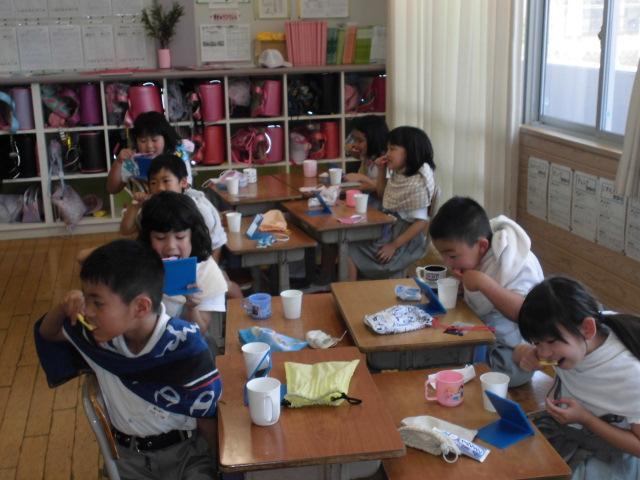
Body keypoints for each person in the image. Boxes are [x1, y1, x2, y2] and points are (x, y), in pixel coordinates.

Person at [34, 239, 221, 479]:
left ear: (140, 307)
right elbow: (48, 333)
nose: (87, 311)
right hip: (128, 461)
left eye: (97, 303)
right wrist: (63, 307)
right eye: (86, 299)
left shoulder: (185, 347)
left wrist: (218, 465)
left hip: (188, 455)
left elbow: (206, 414)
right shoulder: (99, 338)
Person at [513, 277, 640, 479]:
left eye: (550, 341)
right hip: (565, 430)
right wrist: (526, 353)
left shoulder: (629, 374)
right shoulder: (575, 339)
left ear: (588, 329)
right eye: (537, 343)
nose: (543, 353)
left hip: (610, 453)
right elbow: (518, 353)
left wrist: (586, 419)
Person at [429, 196, 543, 387]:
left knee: (508, 372)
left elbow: (524, 313)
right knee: (438, 343)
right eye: (443, 255)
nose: (446, 263)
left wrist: (483, 283)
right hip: (483, 334)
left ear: (482, 245)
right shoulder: (478, 254)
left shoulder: (516, 261)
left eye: (452, 256)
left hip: (513, 348)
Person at [348, 126, 436, 280]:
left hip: (403, 242)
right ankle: (351, 287)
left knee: (347, 248)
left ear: (410, 152)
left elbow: (421, 222)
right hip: (391, 230)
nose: (387, 154)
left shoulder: (417, 183)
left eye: (393, 149)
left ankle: (350, 290)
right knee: (347, 243)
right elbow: (384, 196)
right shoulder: (400, 173)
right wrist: (381, 170)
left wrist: (393, 246)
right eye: (387, 149)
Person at [139, 191, 228, 333]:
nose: (170, 246)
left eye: (180, 237)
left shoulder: (206, 272)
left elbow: (200, 331)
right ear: (148, 239)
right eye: (160, 238)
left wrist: (192, 307)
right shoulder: (139, 267)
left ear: (192, 237)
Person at [119, 154, 226, 262]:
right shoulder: (152, 207)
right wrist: (135, 207)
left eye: (166, 181)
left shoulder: (198, 208)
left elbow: (216, 243)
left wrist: (209, 268)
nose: (159, 188)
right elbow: (126, 230)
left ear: (183, 182)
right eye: (153, 183)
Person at [107, 111, 191, 194]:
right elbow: (112, 189)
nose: (149, 146)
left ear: (165, 138)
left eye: (154, 140)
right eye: (143, 141)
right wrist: (119, 162)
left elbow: (186, 186)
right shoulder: (134, 160)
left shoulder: (178, 155)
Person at [343, 115, 389, 203]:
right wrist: (348, 149)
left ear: (374, 139)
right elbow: (355, 153)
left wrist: (362, 178)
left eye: (360, 141)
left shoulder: (386, 160)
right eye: (354, 140)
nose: (355, 144)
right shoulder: (368, 155)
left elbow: (383, 189)